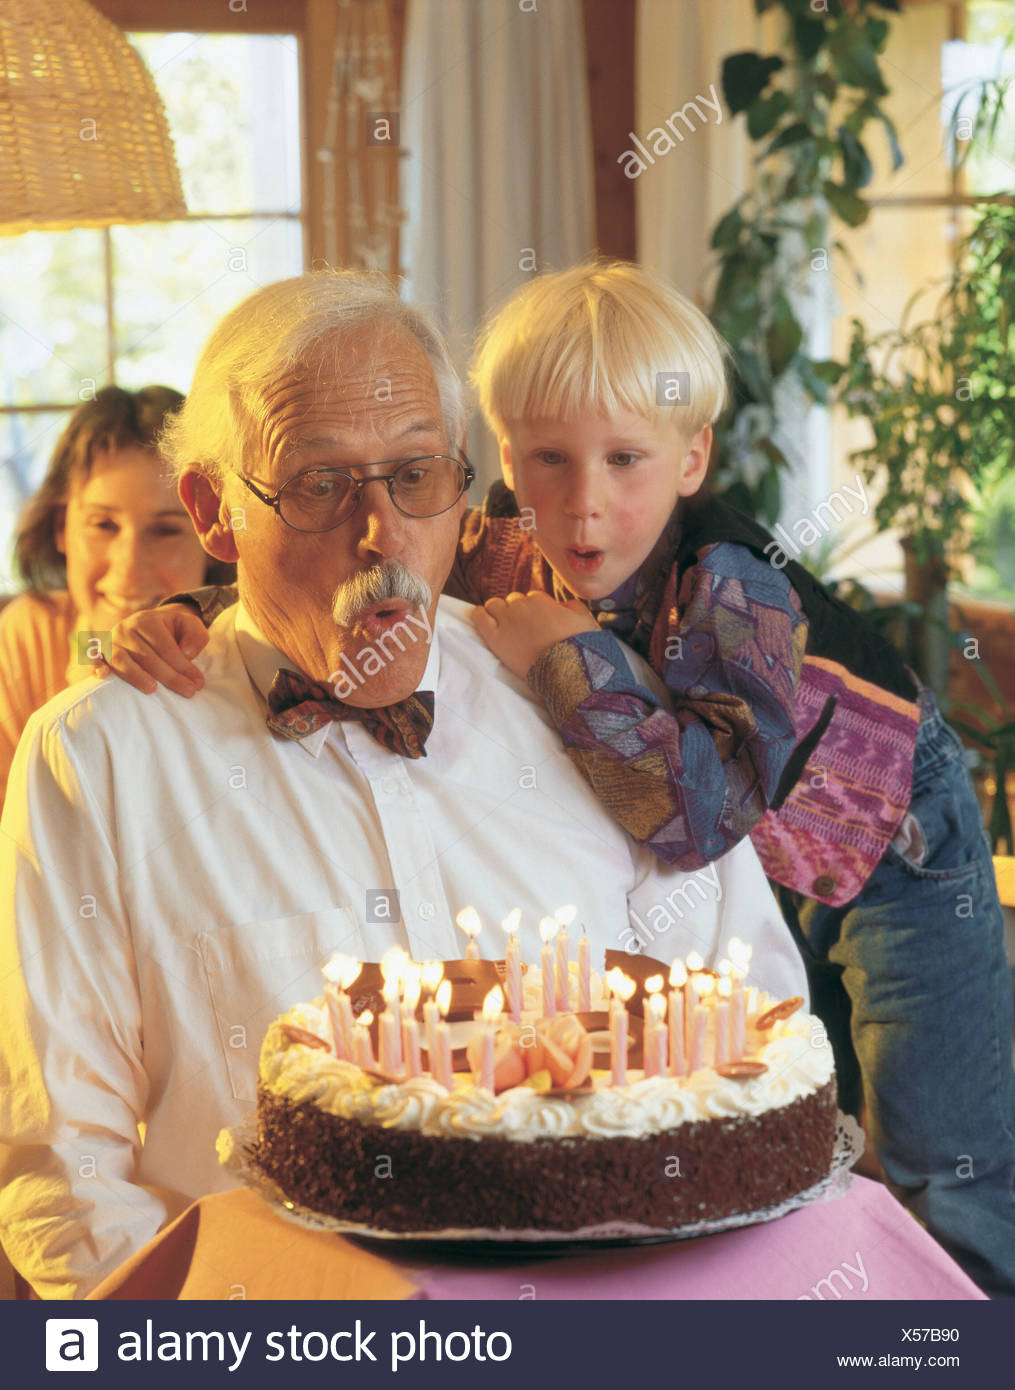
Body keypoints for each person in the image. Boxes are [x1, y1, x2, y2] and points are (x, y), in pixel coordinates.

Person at [105, 261, 1015, 1299]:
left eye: (625, 459)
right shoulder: (488, 535)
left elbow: (696, 820)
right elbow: (327, 563)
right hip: (738, 833)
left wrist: (571, 661)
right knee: (776, 1086)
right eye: (550, 460)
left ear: (690, 459)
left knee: (948, 1163)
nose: (584, 508)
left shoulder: (731, 586)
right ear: (501, 460)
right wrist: (181, 612)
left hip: (883, 828)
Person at [0, 270, 806, 1300]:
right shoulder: (103, 757)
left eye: (417, 476)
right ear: (210, 509)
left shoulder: (594, 699)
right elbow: (66, 1167)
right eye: (320, 485)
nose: (383, 534)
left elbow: (759, 1020)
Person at [0, 385, 231, 804]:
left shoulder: (242, 646)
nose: (128, 568)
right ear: (59, 529)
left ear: (212, 539)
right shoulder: (31, 634)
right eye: (103, 525)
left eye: (165, 530)